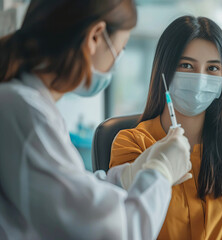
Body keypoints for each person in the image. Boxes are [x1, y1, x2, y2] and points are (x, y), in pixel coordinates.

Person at [0, 1, 192, 239]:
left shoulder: (24, 103)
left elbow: (73, 194)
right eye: (119, 49)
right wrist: (159, 173)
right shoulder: (26, 114)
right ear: (95, 37)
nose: (116, 61)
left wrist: (126, 177)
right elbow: (116, 232)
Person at [110, 16, 222, 240]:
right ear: (164, 71)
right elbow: (126, 227)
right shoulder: (133, 144)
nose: (200, 78)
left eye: (213, 68)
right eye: (186, 65)